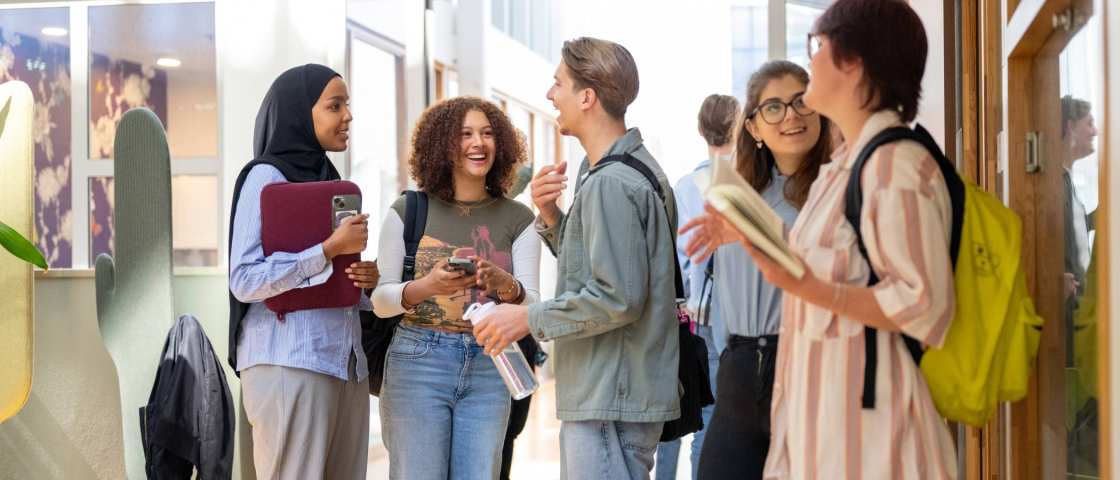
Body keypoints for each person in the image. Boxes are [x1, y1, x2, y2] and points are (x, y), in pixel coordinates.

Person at [684, 0, 959, 477]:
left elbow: (924, 306)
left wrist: (809, 287)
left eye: (816, 47)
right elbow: (837, 260)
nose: (809, 66)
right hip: (822, 419)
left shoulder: (893, 164)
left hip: (869, 435)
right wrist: (753, 236)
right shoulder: (846, 167)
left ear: (852, 63)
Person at [471, 37, 681, 480]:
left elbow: (617, 297)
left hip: (609, 393)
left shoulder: (612, 182)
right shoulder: (628, 171)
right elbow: (609, 270)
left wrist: (528, 318)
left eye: (558, 83)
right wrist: (552, 218)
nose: (550, 95)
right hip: (617, 389)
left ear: (588, 97)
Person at [372, 96, 541, 480]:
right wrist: (427, 285)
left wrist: (507, 285)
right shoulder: (408, 210)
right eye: (465, 134)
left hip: (490, 363)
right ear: (442, 145)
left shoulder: (519, 218)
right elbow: (381, 300)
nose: (478, 143)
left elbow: (532, 304)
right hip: (418, 362)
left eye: (487, 133)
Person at [228, 64, 376, 480]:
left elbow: (332, 283)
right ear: (299, 112)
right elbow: (244, 278)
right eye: (334, 105)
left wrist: (364, 280)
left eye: (347, 105)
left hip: (344, 362)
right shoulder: (266, 176)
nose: (347, 115)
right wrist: (328, 250)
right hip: (287, 360)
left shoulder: (332, 183)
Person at [690, 61, 832, 480]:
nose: (791, 115)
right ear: (752, 127)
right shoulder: (732, 193)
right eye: (773, 107)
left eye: (801, 102)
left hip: (808, 364)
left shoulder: (837, 190)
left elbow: (834, 273)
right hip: (740, 367)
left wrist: (755, 234)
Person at [652, 93, 738, 480]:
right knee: (712, 414)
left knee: (675, 410)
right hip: (731, 315)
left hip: (684, 316)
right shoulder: (744, 185)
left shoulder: (686, 186)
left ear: (701, 130)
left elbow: (679, 256)